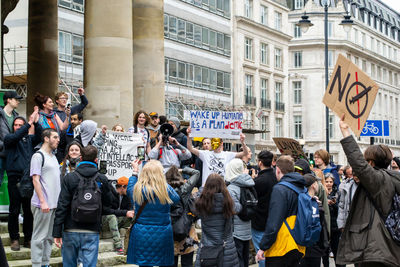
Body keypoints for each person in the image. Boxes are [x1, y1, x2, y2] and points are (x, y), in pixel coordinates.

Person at [336, 114, 400, 266]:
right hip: (388, 247)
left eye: (366, 161)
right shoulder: (393, 178)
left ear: (370, 163)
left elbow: (358, 164)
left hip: (377, 249)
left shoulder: (378, 180)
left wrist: (345, 132)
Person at [52, 145, 132, 266]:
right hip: (92, 229)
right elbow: (108, 205)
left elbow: (62, 205)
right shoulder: (102, 179)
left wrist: (57, 231)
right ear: (96, 160)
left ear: (81, 158)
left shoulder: (70, 177)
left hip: (70, 228)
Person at [126, 160, 180, 267]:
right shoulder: (165, 189)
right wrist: (162, 182)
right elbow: (176, 199)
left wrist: (135, 171)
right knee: (164, 263)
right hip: (163, 233)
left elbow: (129, 188)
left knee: (144, 263)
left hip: (142, 233)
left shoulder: (137, 189)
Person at [256, 155, 306, 266]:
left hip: (281, 246)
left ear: (278, 170)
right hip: (298, 244)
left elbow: (274, 222)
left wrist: (263, 246)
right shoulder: (301, 187)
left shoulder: (280, 189)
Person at [4, 108, 41, 251]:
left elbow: (41, 135)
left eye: (21, 125)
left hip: (28, 179)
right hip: (14, 179)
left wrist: (36, 123)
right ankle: (14, 238)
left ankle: (28, 238)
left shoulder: (29, 140)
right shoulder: (9, 139)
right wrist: (28, 124)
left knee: (28, 211)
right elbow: (16, 136)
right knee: (14, 210)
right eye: (16, 125)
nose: (18, 127)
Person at [30, 128, 61, 267]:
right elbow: (35, 180)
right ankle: (36, 264)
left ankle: (45, 263)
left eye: (58, 137)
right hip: (42, 204)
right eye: (55, 137)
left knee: (49, 238)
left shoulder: (53, 157)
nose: (58, 140)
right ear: (46, 138)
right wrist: (42, 202)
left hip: (53, 204)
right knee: (39, 237)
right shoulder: (38, 156)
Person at [194, 173, 239, 267]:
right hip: (227, 248)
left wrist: (202, 190)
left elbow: (195, 208)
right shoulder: (228, 203)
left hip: (207, 248)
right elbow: (238, 208)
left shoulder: (201, 204)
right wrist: (228, 194)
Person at [165, 166, 200, 267]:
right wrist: (182, 170)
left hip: (169, 230)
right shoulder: (185, 188)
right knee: (187, 263)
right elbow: (196, 173)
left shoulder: (163, 190)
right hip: (187, 230)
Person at [226, 158, 254, 267]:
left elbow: (233, 209)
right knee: (245, 258)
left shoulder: (231, 188)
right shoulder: (249, 184)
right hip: (247, 228)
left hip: (235, 231)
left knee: (238, 260)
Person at [251, 150, 277, 267]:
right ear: (272, 162)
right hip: (274, 221)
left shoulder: (258, 181)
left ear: (260, 162)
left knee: (261, 254)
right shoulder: (276, 178)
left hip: (260, 222)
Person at [299, 173, 329, 267]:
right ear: (313, 185)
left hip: (302, 246)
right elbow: (321, 228)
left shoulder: (299, 200)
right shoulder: (316, 205)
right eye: (316, 182)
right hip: (314, 247)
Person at [102, 176, 133, 254]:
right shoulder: (109, 194)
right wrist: (124, 213)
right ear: (122, 187)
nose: (129, 190)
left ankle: (132, 243)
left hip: (118, 222)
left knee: (134, 216)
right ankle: (118, 246)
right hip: (105, 221)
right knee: (112, 217)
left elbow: (129, 208)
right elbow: (106, 210)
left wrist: (131, 212)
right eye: (128, 188)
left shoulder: (127, 196)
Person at [0, 90, 23, 186]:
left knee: (13, 185)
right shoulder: (0, 115)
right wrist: (2, 146)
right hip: (1, 154)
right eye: (16, 99)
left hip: (12, 155)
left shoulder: (16, 116)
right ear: (8, 100)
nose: (18, 101)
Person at [323, 173, 343, 267]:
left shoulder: (337, 192)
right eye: (327, 181)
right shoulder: (322, 192)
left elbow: (340, 209)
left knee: (336, 251)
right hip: (325, 226)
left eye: (330, 181)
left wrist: (334, 204)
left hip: (335, 227)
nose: (329, 183)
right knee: (325, 253)